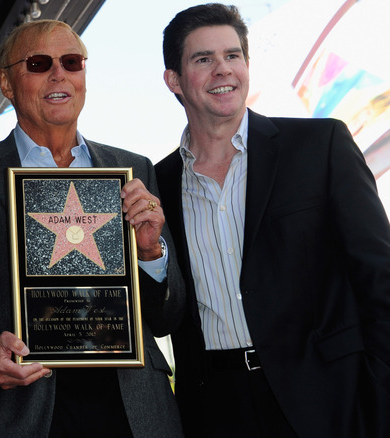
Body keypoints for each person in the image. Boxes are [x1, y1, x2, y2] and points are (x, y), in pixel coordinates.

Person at [0, 19, 185, 438]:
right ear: (7, 84)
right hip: (16, 414)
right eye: (39, 63)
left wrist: (150, 254)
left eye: (72, 62)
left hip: (133, 413)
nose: (59, 74)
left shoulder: (133, 171)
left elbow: (167, 317)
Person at [155, 3, 390, 438]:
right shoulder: (158, 183)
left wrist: (376, 396)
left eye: (233, 55)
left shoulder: (320, 146)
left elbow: (380, 278)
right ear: (175, 80)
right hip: (218, 409)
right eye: (203, 59)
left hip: (330, 400)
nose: (223, 70)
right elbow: (166, 313)